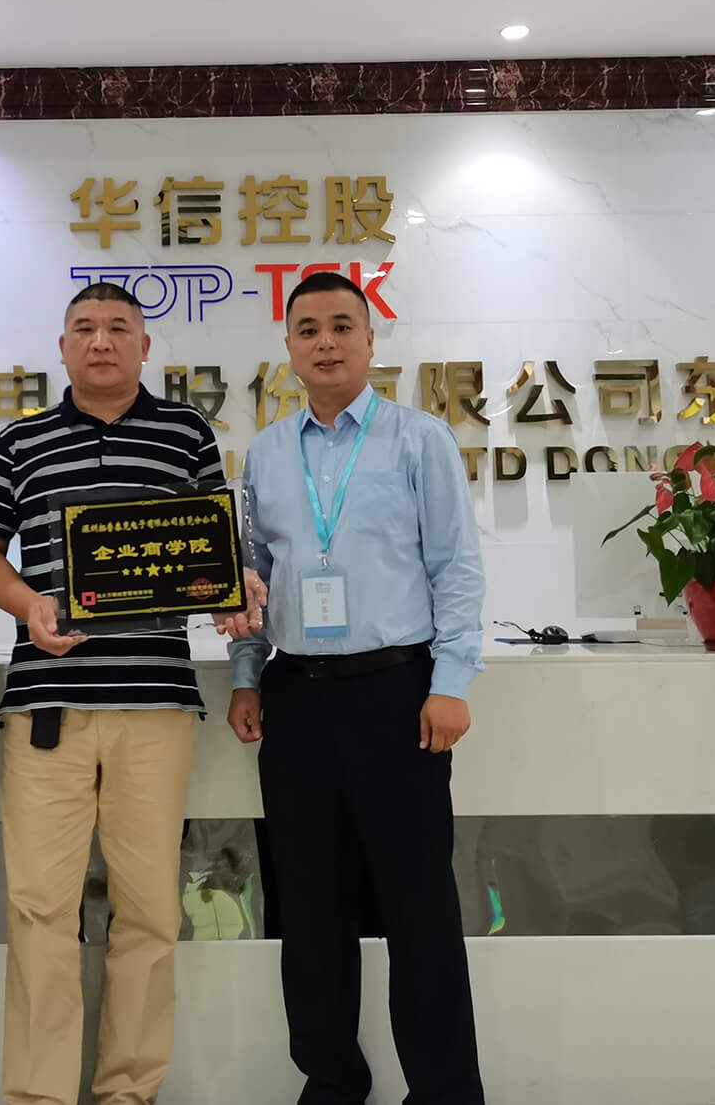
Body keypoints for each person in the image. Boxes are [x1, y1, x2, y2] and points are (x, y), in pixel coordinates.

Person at [0, 282, 265, 1105]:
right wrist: (28, 605)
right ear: (62, 346)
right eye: (85, 328)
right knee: (40, 912)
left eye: (118, 328)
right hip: (47, 706)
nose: (101, 341)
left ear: (144, 346)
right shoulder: (20, 441)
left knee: (150, 913)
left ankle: (129, 1092)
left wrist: (234, 586)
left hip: (156, 703)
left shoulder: (186, 434)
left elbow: (215, 547)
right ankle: (39, 1096)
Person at [226, 270, 487, 1105]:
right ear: (289, 348)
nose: (326, 342)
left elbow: (456, 568)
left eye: (343, 325)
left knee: (419, 908)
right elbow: (251, 579)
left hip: (397, 694)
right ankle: (333, 1083)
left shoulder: (420, 439)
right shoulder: (267, 453)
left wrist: (451, 681)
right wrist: (246, 675)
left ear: (372, 341)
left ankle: (443, 1092)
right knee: (308, 909)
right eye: (308, 329)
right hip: (296, 699)